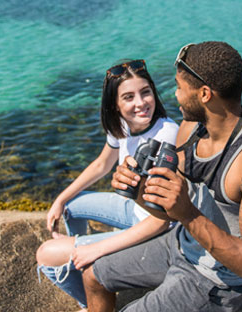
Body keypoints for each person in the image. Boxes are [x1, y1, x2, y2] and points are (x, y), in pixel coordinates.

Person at [81, 42, 242, 311]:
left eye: (179, 86)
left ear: (204, 93)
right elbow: (170, 210)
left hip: (216, 279)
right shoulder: (190, 128)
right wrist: (138, 189)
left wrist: (188, 214)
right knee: (93, 275)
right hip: (180, 244)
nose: (175, 95)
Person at [35, 59, 178, 310]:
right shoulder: (122, 125)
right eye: (128, 97)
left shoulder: (166, 135)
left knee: (46, 255)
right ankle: (86, 272)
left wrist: (99, 248)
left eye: (146, 92)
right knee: (70, 205)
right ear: (115, 105)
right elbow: (102, 164)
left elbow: (162, 220)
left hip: (155, 227)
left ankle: (91, 301)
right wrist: (59, 199)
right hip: (134, 210)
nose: (141, 103)